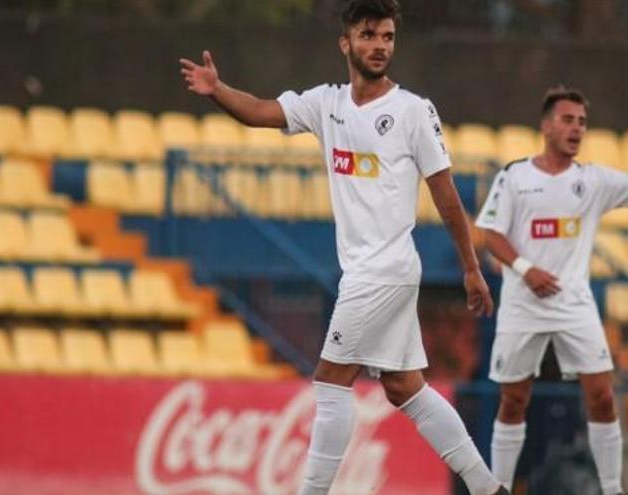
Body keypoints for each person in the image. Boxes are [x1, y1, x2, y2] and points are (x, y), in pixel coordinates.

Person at [179, 1, 509, 494]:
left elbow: (446, 197)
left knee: (330, 380)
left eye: (388, 37)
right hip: (373, 272)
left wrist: (470, 267)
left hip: (384, 270)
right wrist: (217, 90)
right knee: (405, 388)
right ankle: (487, 488)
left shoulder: (413, 111)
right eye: (370, 35)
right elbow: (262, 112)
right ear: (346, 42)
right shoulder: (325, 103)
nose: (380, 46)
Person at [475, 85, 628, 494]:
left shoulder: (593, 180)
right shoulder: (515, 177)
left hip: (573, 304)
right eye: (568, 120)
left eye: (582, 122)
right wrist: (526, 269)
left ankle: (613, 489)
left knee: (601, 396)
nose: (577, 129)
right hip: (523, 305)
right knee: (514, 400)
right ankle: (501, 487)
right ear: (546, 126)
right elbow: (490, 234)